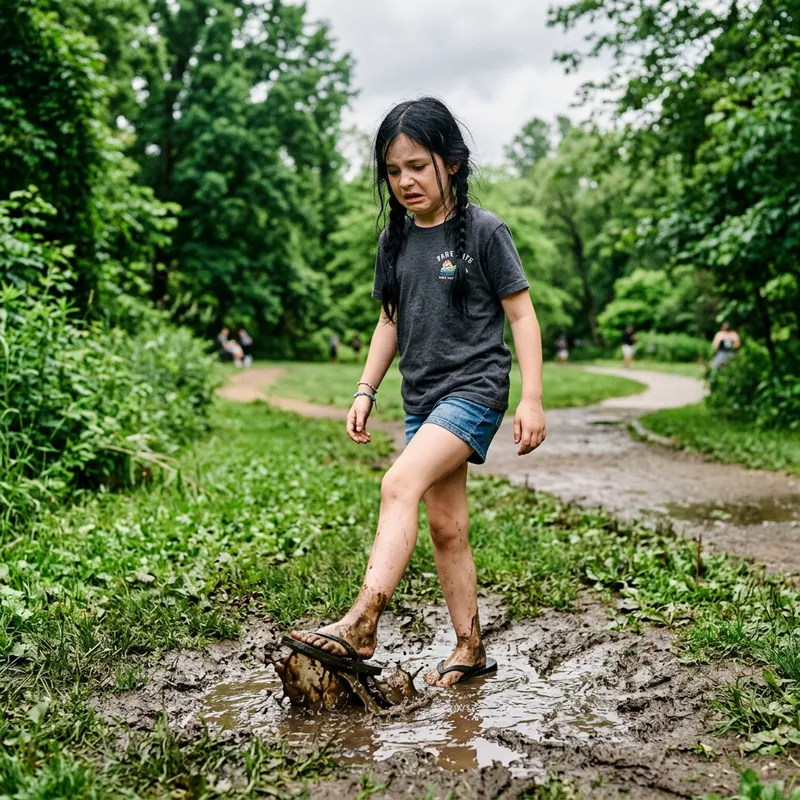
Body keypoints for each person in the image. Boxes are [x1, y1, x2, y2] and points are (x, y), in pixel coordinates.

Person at [285, 97, 546, 688]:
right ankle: (470, 647)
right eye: (393, 171)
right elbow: (389, 321)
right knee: (446, 527)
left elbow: (522, 315)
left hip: (475, 391)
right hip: (423, 399)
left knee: (398, 482)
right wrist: (365, 389)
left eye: (417, 166)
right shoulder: (394, 239)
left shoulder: (484, 231)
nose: (405, 181)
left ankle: (361, 623)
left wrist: (531, 398)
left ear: (450, 162)